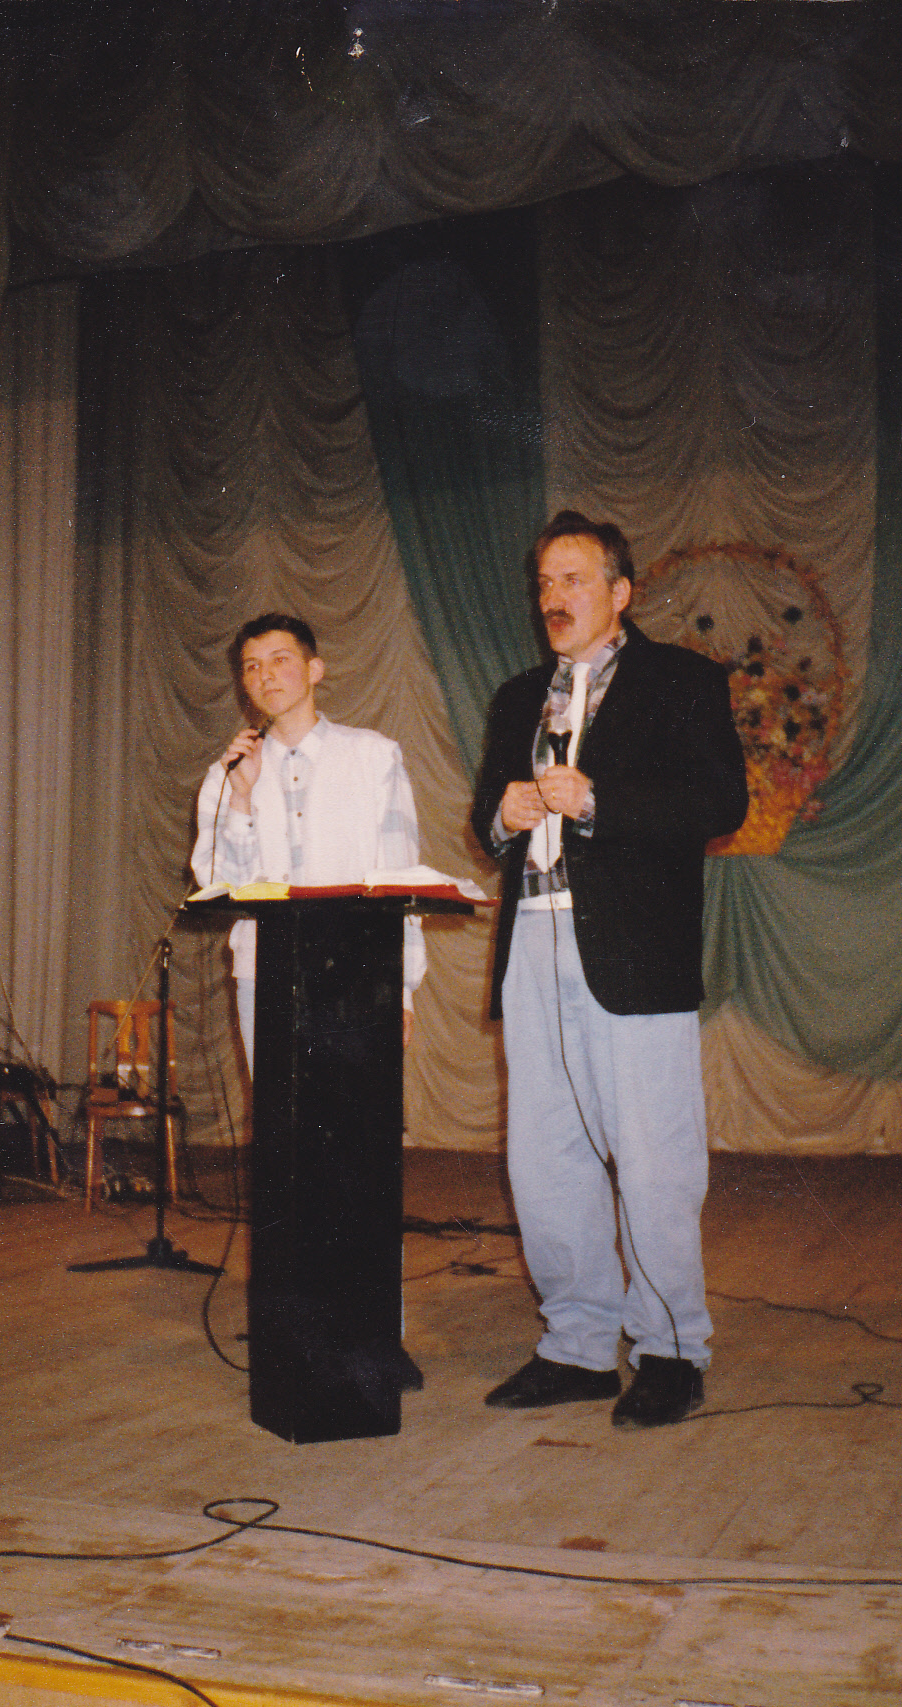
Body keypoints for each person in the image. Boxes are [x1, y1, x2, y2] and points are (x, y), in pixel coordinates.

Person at [471, 511, 748, 1427]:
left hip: (634, 948)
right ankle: (579, 1345)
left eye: (573, 580)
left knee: (655, 1159)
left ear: (620, 592)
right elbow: (484, 818)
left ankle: (671, 1351)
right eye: (544, 584)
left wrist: (599, 802)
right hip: (533, 942)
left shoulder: (681, 681)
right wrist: (505, 815)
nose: (553, 598)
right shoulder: (518, 697)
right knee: (544, 1157)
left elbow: (721, 801)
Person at [191, 613, 427, 1064]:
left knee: (356, 1108)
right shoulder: (226, 775)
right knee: (275, 1108)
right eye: (252, 666)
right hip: (264, 972)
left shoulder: (374, 756)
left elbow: (401, 880)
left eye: (279, 660)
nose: (265, 675)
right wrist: (240, 797)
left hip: (358, 970)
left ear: (314, 670)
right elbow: (220, 886)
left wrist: (401, 991)